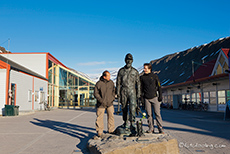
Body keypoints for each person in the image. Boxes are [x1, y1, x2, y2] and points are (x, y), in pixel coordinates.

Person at [116, 53, 141, 135]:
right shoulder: (121, 71)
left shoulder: (135, 71)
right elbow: (118, 83)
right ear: (125, 60)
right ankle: (125, 122)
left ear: (132, 61)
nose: (128, 61)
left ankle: (132, 123)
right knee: (124, 108)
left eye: (130, 60)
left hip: (132, 91)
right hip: (123, 90)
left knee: (132, 107)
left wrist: (138, 93)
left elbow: (138, 83)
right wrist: (118, 92)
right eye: (127, 60)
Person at [140, 63, 164, 134]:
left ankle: (160, 128)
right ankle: (151, 128)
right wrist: (142, 100)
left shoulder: (155, 76)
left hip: (154, 97)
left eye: (145, 68)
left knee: (157, 113)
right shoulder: (142, 78)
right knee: (149, 114)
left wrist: (160, 96)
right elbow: (141, 89)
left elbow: (159, 86)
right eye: (144, 68)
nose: (144, 69)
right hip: (146, 98)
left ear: (149, 69)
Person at [94, 71, 115, 137]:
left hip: (110, 103)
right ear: (104, 77)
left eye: (110, 76)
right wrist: (101, 100)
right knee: (99, 118)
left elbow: (114, 91)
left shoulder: (111, 83)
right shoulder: (99, 83)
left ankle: (111, 130)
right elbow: (96, 93)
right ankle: (99, 131)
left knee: (111, 117)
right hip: (101, 104)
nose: (110, 77)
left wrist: (112, 98)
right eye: (108, 76)